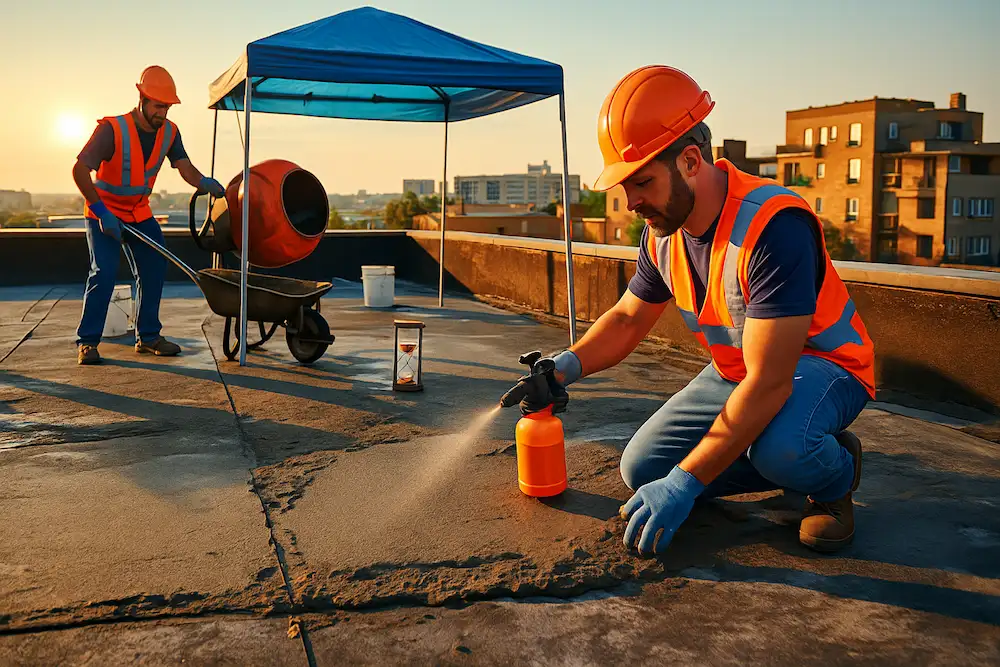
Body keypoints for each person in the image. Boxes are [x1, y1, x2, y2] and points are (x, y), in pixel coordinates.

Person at [502, 65, 875, 555]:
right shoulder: (664, 233)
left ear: (691, 161)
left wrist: (686, 482)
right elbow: (628, 318)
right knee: (642, 469)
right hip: (737, 370)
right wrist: (562, 369)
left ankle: (831, 477)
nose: (631, 201)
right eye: (625, 186)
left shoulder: (773, 226)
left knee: (780, 449)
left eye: (642, 182)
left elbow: (771, 382)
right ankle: (792, 451)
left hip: (826, 367)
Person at [72, 65, 226, 365]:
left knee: (154, 269)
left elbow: (184, 166)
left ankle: (148, 337)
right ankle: (87, 342)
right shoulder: (112, 130)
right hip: (104, 213)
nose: (162, 113)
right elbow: (79, 170)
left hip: (138, 212)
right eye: (158, 106)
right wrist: (101, 211)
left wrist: (203, 182)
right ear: (142, 99)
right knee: (103, 273)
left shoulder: (169, 132)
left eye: (167, 107)